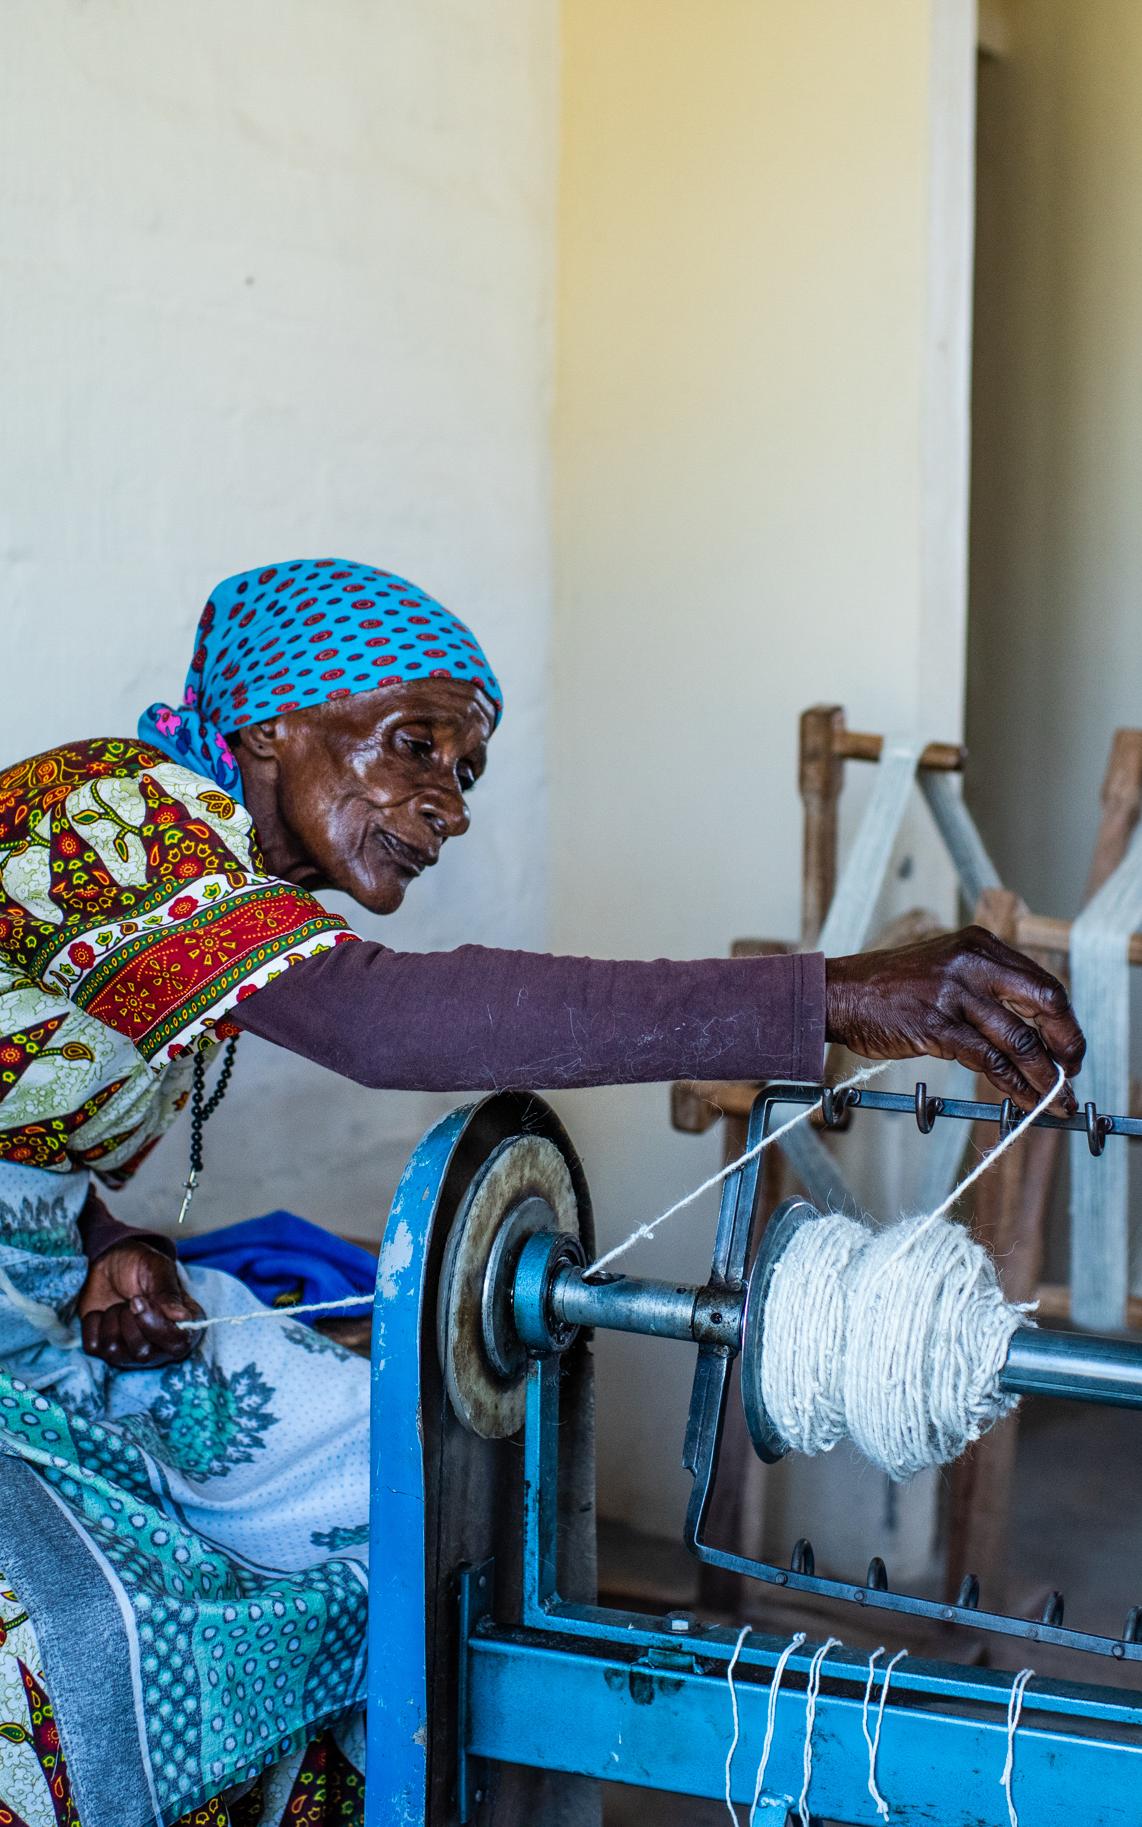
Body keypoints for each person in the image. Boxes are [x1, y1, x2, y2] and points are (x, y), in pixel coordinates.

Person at [0, 559, 1085, 1827]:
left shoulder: (224, 911)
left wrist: (107, 1238)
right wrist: (825, 996)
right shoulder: (102, 814)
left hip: (42, 1313)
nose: (444, 806)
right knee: (72, 1650)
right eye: (414, 746)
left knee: (395, 1497)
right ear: (271, 720)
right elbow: (380, 1024)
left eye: (463, 774)